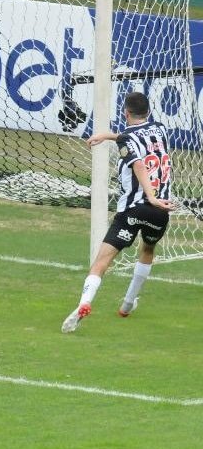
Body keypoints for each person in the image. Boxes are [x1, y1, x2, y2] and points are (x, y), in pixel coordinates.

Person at [62, 91, 176, 333]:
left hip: (135, 208)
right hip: (160, 213)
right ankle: (127, 303)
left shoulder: (126, 138)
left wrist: (151, 197)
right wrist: (109, 136)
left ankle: (84, 303)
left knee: (102, 260)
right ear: (149, 111)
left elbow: (138, 164)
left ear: (126, 113)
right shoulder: (161, 129)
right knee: (148, 248)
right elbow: (132, 138)